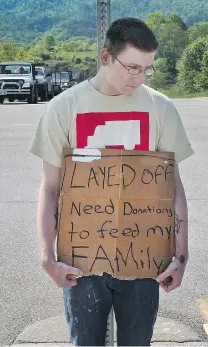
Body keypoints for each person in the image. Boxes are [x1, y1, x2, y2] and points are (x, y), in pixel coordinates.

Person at [28, 17, 195, 346]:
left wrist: (181, 255)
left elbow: (173, 187)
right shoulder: (64, 108)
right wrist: (47, 257)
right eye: (132, 67)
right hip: (82, 264)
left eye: (147, 68)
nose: (139, 77)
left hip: (144, 262)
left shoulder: (161, 108)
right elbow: (49, 190)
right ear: (106, 58)